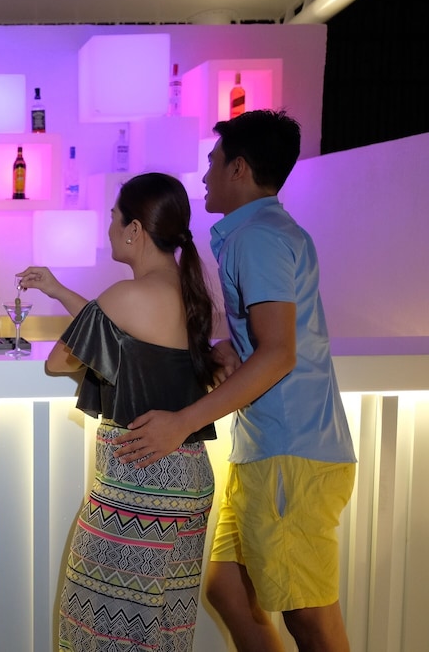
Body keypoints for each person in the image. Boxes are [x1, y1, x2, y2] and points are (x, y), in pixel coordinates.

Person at [117, 111, 357, 652]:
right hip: (270, 449)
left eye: (213, 162)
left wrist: (182, 423)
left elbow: (279, 354)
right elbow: (275, 338)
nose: (205, 176)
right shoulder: (265, 232)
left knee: (310, 618)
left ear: (239, 168)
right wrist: (233, 346)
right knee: (227, 590)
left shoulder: (258, 238)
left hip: (288, 452)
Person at [17, 172, 218, 651]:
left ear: (134, 230)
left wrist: (73, 306)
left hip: (139, 481)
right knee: (163, 630)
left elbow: (59, 360)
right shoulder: (190, 295)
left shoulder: (127, 296)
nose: (109, 228)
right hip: (187, 479)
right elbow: (113, 331)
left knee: (98, 627)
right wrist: (60, 290)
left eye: (113, 218)